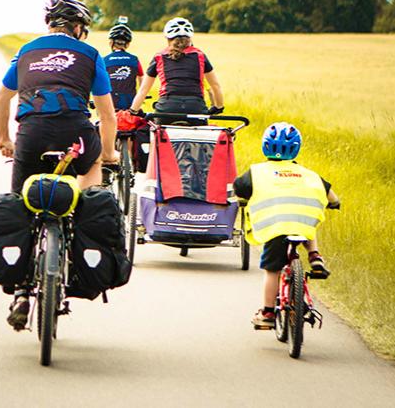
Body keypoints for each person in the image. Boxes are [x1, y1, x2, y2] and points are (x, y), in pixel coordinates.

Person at [0, 0, 119, 329]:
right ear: (77, 27)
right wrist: (107, 155)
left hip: (31, 135)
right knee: (90, 181)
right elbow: (106, 115)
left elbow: (1, 98)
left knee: (22, 203)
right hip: (75, 133)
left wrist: (4, 139)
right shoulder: (91, 55)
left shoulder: (27, 51)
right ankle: (78, 242)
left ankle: (21, 291)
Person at [231, 122, 341, 329]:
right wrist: (335, 204)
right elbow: (332, 197)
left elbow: (239, 189)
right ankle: (314, 255)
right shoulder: (309, 174)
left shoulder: (256, 172)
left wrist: (243, 200)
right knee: (307, 220)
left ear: (265, 146)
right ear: (297, 148)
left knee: (272, 270)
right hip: (303, 225)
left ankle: (267, 313)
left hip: (275, 228)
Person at [128, 17, 224, 117]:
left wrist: (133, 110)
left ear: (168, 38)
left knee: (155, 131)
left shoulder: (159, 57)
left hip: (166, 109)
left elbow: (143, 90)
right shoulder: (200, 55)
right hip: (196, 108)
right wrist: (218, 107)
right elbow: (215, 86)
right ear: (189, 38)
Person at [103, 22, 141, 112]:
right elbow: (142, 82)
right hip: (129, 104)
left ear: (111, 42)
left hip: (110, 104)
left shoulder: (104, 60)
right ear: (127, 44)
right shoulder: (134, 60)